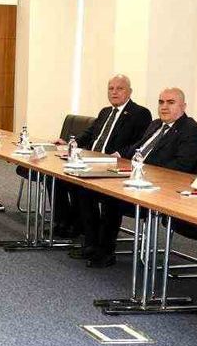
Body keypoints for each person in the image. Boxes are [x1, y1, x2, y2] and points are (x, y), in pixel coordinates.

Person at [75, 87, 197, 268]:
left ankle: (105, 252)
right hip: (135, 176)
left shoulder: (191, 131)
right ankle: (92, 243)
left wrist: (143, 171)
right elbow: (137, 148)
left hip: (159, 189)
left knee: (110, 197)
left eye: (170, 102)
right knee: (86, 189)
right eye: (161, 102)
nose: (164, 107)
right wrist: (117, 156)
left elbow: (181, 168)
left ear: (183, 106)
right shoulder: (156, 124)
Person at [54, 74, 152, 242]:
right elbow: (90, 132)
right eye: (111, 89)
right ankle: (66, 222)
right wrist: (71, 143)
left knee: (83, 188)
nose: (114, 92)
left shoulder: (140, 113)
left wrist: (119, 154)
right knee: (56, 178)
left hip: (112, 165)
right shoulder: (105, 111)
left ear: (130, 92)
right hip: (90, 159)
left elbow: (139, 143)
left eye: (119, 88)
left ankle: (89, 233)